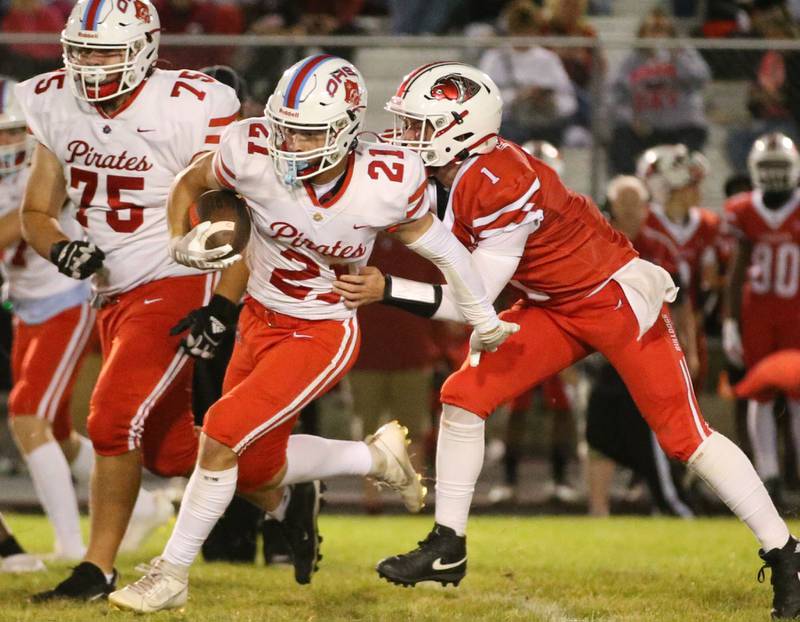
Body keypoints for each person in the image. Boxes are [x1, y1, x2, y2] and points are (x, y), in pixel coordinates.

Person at [332, 61, 800, 618]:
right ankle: (447, 546)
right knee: (464, 396)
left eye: (420, 126)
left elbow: (470, 304)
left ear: (461, 128)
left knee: (684, 436)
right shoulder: (456, 174)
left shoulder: (498, 180)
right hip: (554, 306)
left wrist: (387, 288)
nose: (408, 138)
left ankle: (787, 552)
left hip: (612, 299)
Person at [108, 53, 516, 613]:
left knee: (221, 432)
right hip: (258, 317)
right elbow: (191, 180)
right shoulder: (250, 150)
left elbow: (446, 251)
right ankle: (375, 460)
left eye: (306, 134)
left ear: (345, 131)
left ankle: (171, 574)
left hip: (322, 328)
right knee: (252, 468)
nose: (289, 145)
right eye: (285, 129)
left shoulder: (387, 181)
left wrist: (483, 318)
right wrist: (182, 239)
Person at [15, 0, 241, 601]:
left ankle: (97, 567)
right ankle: (289, 479)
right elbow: (37, 213)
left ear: (144, 47)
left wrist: (222, 294)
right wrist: (62, 249)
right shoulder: (50, 99)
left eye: (107, 51)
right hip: (108, 290)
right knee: (172, 451)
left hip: (174, 273)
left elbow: (227, 209)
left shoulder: (191, 103)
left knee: (111, 416)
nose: (91, 64)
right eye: (83, 50)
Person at [0, 76, 95, 562]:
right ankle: (141, 506)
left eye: (16, 131)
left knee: (27, 417)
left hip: (65, 299)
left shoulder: (45, 167)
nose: (7, 143)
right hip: (24, 306)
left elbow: (15, 227)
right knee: (55, 430)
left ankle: (73, 546)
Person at [723, 132, 800, 506]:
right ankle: (768, 475)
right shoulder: (744, 210)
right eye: (767, 167)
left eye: (779, 167)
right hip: (758, 315)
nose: (772, 175)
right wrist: (730, 321)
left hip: (796, 314)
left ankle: (794, 476)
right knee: (760, 394)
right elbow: (736, 273)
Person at [636, 144, 723, 386]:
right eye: (691, 184)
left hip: (691, 320)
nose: (698, 191)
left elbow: (709, 280)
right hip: (650, 322)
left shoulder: (706, 223)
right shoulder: (644, 224)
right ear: (667, 187)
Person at [608, 8, 711, 174]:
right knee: (620, 136)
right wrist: (631, 119)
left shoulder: (684, 53)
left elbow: (701, 78)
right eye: (653, 30)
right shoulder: (632, 60)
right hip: (645, 128)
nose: (658, 36)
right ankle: (631, 186)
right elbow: (615, 96)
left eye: (663, 30)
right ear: (643, 33)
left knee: (696, 134)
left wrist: (676, 57)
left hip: (681, 126)